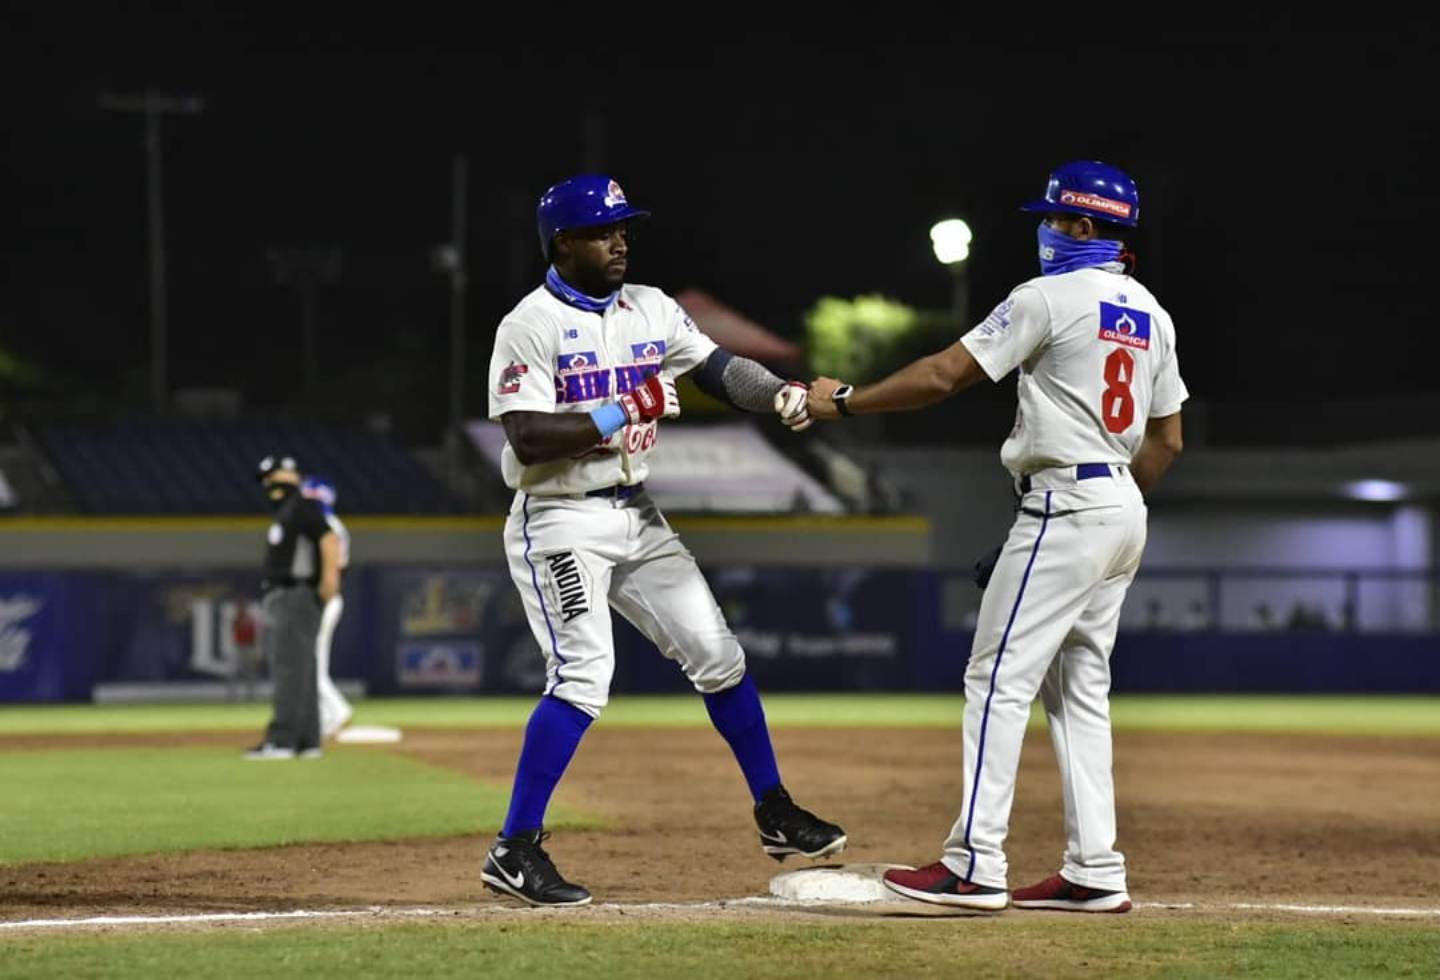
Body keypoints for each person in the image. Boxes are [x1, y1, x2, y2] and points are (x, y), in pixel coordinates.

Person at [808, 161, 1187, 913]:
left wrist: (848, 402)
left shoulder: (1047, 296)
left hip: (1067, 503)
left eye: (1054, 219)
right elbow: (1168, 441)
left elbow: (947, 374)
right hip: (1119, 505)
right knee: (1081, 692)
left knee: (996, 679)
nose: (1044, 230)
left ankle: (974, 862)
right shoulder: (1152, 313)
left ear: (1083, 226)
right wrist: (1105, 516)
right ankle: (1094, 869)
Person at [480, 173, 846, 908]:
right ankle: (513, 850)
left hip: (636, 512)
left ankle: (774, 808)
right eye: (603, 231)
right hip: (559, 517)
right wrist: (625, 409)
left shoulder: (650, 306)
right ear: (562, 243)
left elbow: (717, 368)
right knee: (583, 677)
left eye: (624, 229)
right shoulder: (531, 323)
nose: (620, 241)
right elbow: (525, 434)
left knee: (720, 657)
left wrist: (779, 394)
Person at [245, 454, 342, 760]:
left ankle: (282, 740)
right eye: (266, 480)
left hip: (295, 595)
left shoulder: (302, 504)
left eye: (273, 477)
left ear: (290, 475)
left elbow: (329, 539)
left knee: (290, 668)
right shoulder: (290, 508)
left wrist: (329, 582)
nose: (268, 485)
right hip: (290, 596)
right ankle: (307, 740)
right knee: (303, 669)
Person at [301, 474, 354, 739]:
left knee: (311, 665)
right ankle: (324, 717)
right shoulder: (334, 523)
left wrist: (318, 601)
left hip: (325, 599)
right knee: (314, 664)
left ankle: (337, 710)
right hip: (330, 598)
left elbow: (330, 572)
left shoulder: (325, 525)